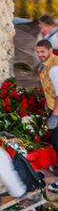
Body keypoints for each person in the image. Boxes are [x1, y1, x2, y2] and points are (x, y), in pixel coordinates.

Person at [35, 38, 58, 179]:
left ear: (50, 50)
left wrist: (55, 115)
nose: (39, 54)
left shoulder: (54, 68)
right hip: (53, 107)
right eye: (37, 52)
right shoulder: (45, 65)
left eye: (42, 51)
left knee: (57, 142)